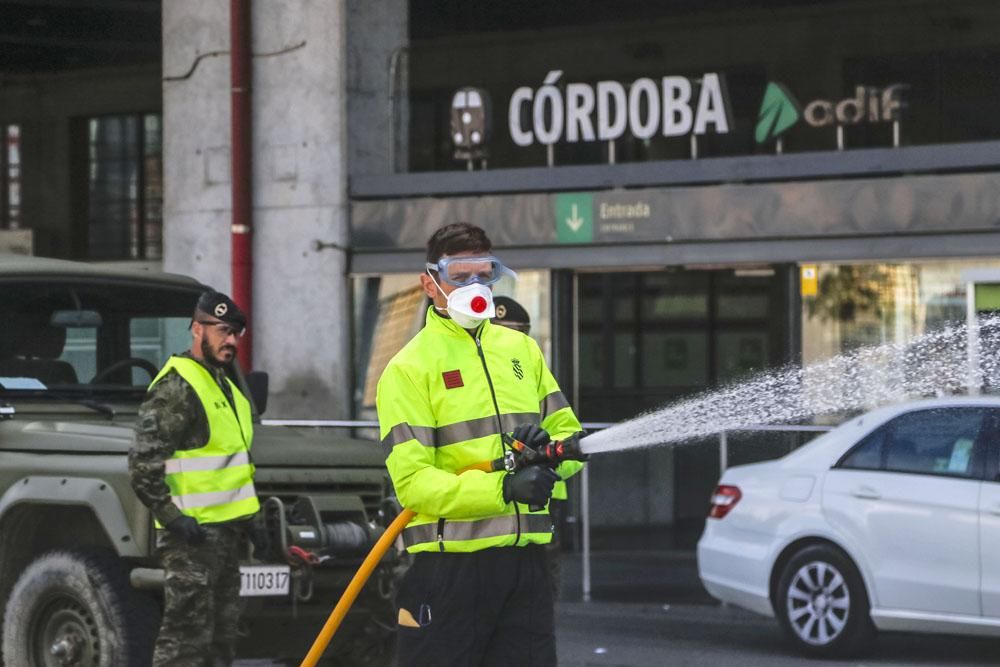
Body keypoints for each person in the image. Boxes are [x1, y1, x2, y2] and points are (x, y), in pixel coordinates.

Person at [377, 223, 585, 666]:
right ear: (429, 284)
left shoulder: (521, 350)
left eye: (484, 274)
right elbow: (413, 485)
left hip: (525, 565)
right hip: (449, 570)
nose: (474, 287)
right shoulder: (408, 368)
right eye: (459, 275)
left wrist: (548, 456)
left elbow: (571, 439)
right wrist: (505, 489)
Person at [129, 291, 259, 667]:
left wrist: (252, 521)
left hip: (224, 537)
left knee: (221, 642)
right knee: (184, 642)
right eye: (222, 331)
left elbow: (234, 466)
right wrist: (174, 519)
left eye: (236, 333)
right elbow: (142, 464)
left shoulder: (226, 388)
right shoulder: (178, 387)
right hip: (190, 541)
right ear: (196, 329)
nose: (231, 341)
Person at [490, 296, 566, 598]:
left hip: (539, 513)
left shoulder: (533, 375)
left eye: (519, 334)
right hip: (479, 523)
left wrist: (549, 459)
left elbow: (569, 436)